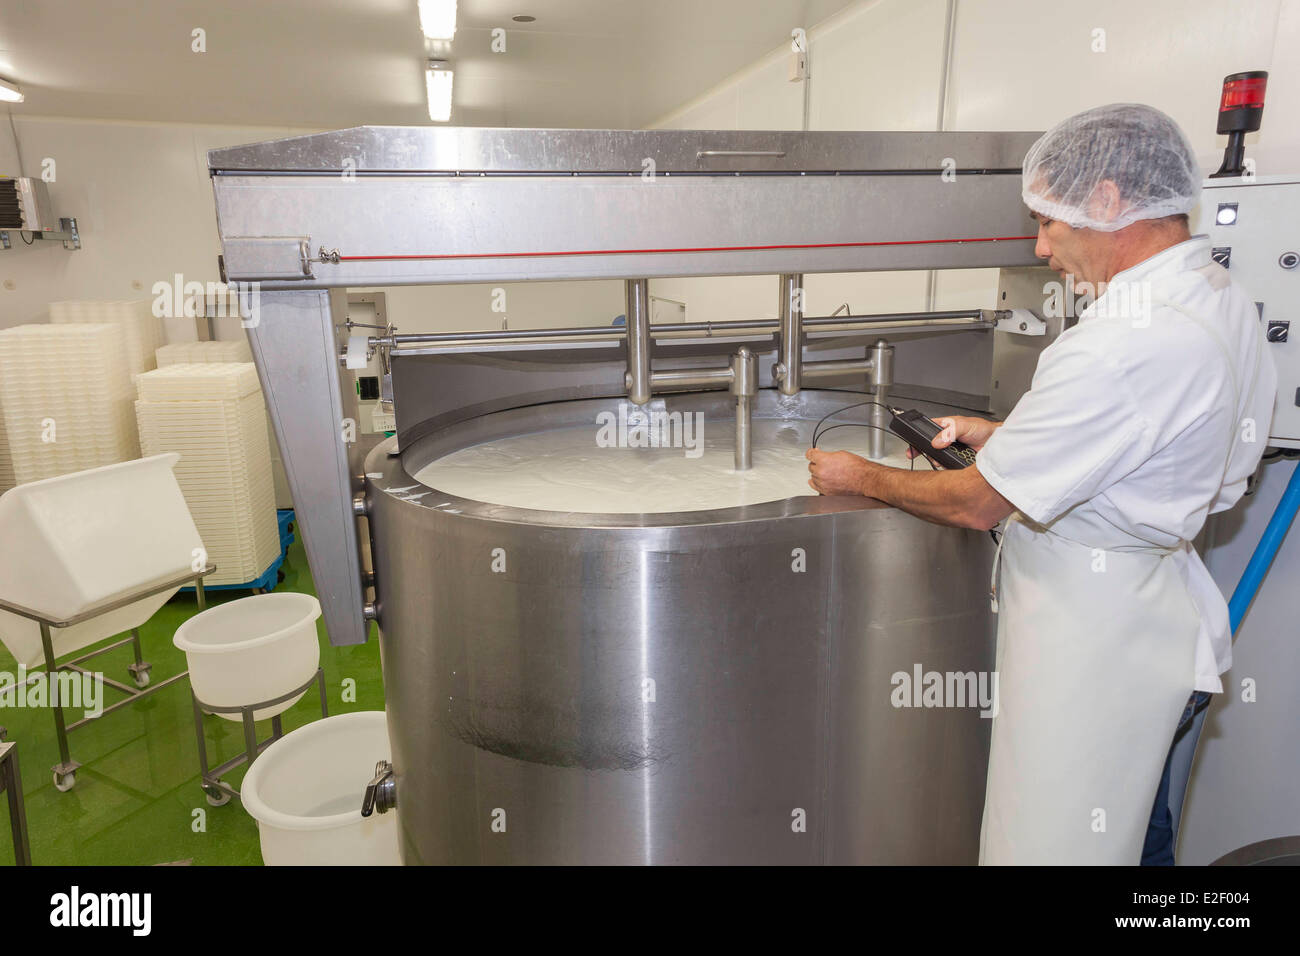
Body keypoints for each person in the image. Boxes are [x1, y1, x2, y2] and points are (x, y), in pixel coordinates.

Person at [805, 103, 1276, 864]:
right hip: (1165, 631)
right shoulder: (1218, 297)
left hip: (1092, 648)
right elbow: (1169, 445)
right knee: (1134, 830)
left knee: (1055, 844)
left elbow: (977, 501)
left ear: (1110, 201)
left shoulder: (1119, 344)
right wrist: (1016, 437)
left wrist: (865, 475)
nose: (1041, 246)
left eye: (1050, 222)